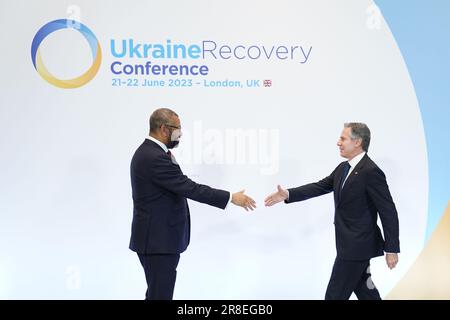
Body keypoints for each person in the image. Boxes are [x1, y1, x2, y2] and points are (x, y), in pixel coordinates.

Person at [129, 108, 256, 300]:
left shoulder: (153, 153)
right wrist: (230, 197)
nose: (180, 134)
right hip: (157, 243)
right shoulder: (153, 157)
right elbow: (189, 188)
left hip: (158, 241)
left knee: (157, 295)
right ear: (164, 129)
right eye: (177, 129)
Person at [264, 122, 400, 300]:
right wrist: (288, 194)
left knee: (334, 295)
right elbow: (319, 187)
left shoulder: (371, 171)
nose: (338, 142)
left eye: (343, 138)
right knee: (366, 291)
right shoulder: (343, 168)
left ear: (357, 142)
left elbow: (388, 211)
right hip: (348, 244)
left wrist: (392, 248)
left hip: (356, 246)